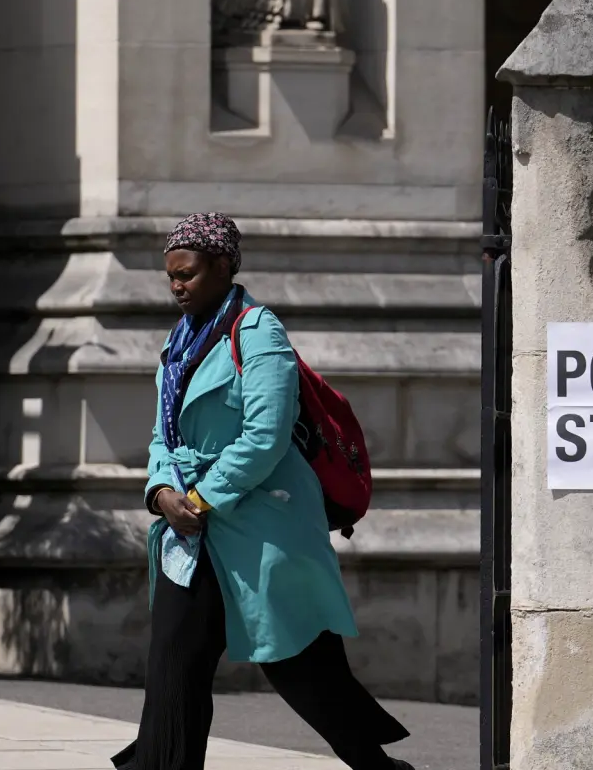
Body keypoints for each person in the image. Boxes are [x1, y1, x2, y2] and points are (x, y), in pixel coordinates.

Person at [112, 213, 412, 770]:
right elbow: (162, 435)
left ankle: (379, 768)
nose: (177, 286)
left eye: (189, 274)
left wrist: (201, 498)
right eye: (170, 276)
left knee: (302, 668)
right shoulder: (176, 344)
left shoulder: (258, 331)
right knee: (173, 668)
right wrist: (159, 494)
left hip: (263, 527)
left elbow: (267, 436)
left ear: (225, 267)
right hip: (190, 534)